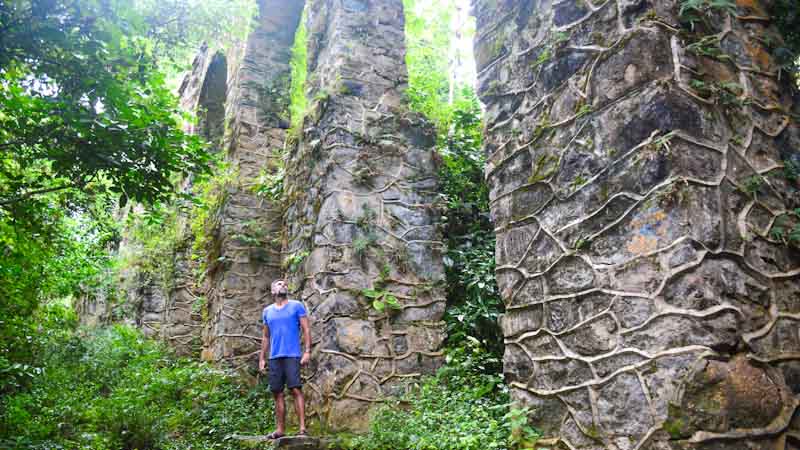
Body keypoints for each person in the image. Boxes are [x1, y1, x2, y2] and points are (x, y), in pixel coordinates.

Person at [259, 279, 311, 439]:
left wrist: (307, 351)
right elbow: (266, 336)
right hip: (275, 356)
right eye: (279, 284)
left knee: (295, 389)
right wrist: (262, 358)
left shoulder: (296, 306)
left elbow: (306, 329)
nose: (283, 285)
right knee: (277, 393)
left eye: (285, 284)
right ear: (272, 291)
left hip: (292, 354)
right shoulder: (267, 311)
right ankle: (280, 430)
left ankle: (302, 429)